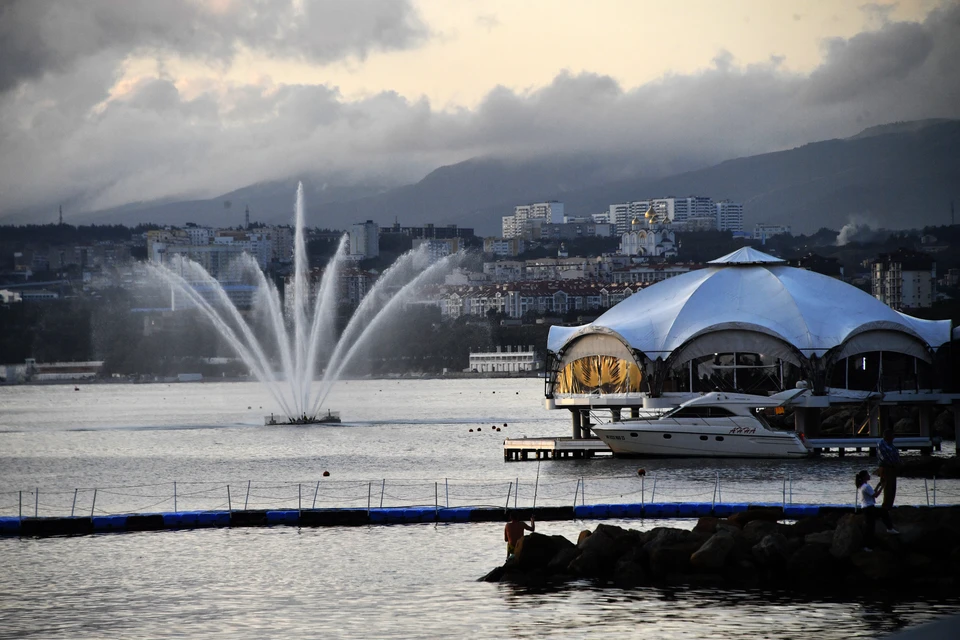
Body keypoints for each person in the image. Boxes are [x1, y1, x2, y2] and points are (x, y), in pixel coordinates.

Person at [856, 470, 898, 551]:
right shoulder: (866, 486)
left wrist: (878, 485)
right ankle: (889, 529)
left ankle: (867, 546)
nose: (869, 475)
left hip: (865, 508)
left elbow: (872, 493)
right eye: (868, 474)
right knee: (883, 513)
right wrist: (883, 486)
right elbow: (875, 495)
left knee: (870, 527)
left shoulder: (862, 486)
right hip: (869, 508)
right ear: (864, 476)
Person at [876, 428, 901, 509]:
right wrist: (893, 463)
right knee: (887, 487)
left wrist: (898, 463)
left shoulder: (891, 445)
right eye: (892, 436)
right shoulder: (881, 444)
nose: (893, 437)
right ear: (887, 436)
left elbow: (896, 456)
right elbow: (884, 457)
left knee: (892, 488)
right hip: (886, 468)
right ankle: (885, 507)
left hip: (893, 468)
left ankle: (890, 506)